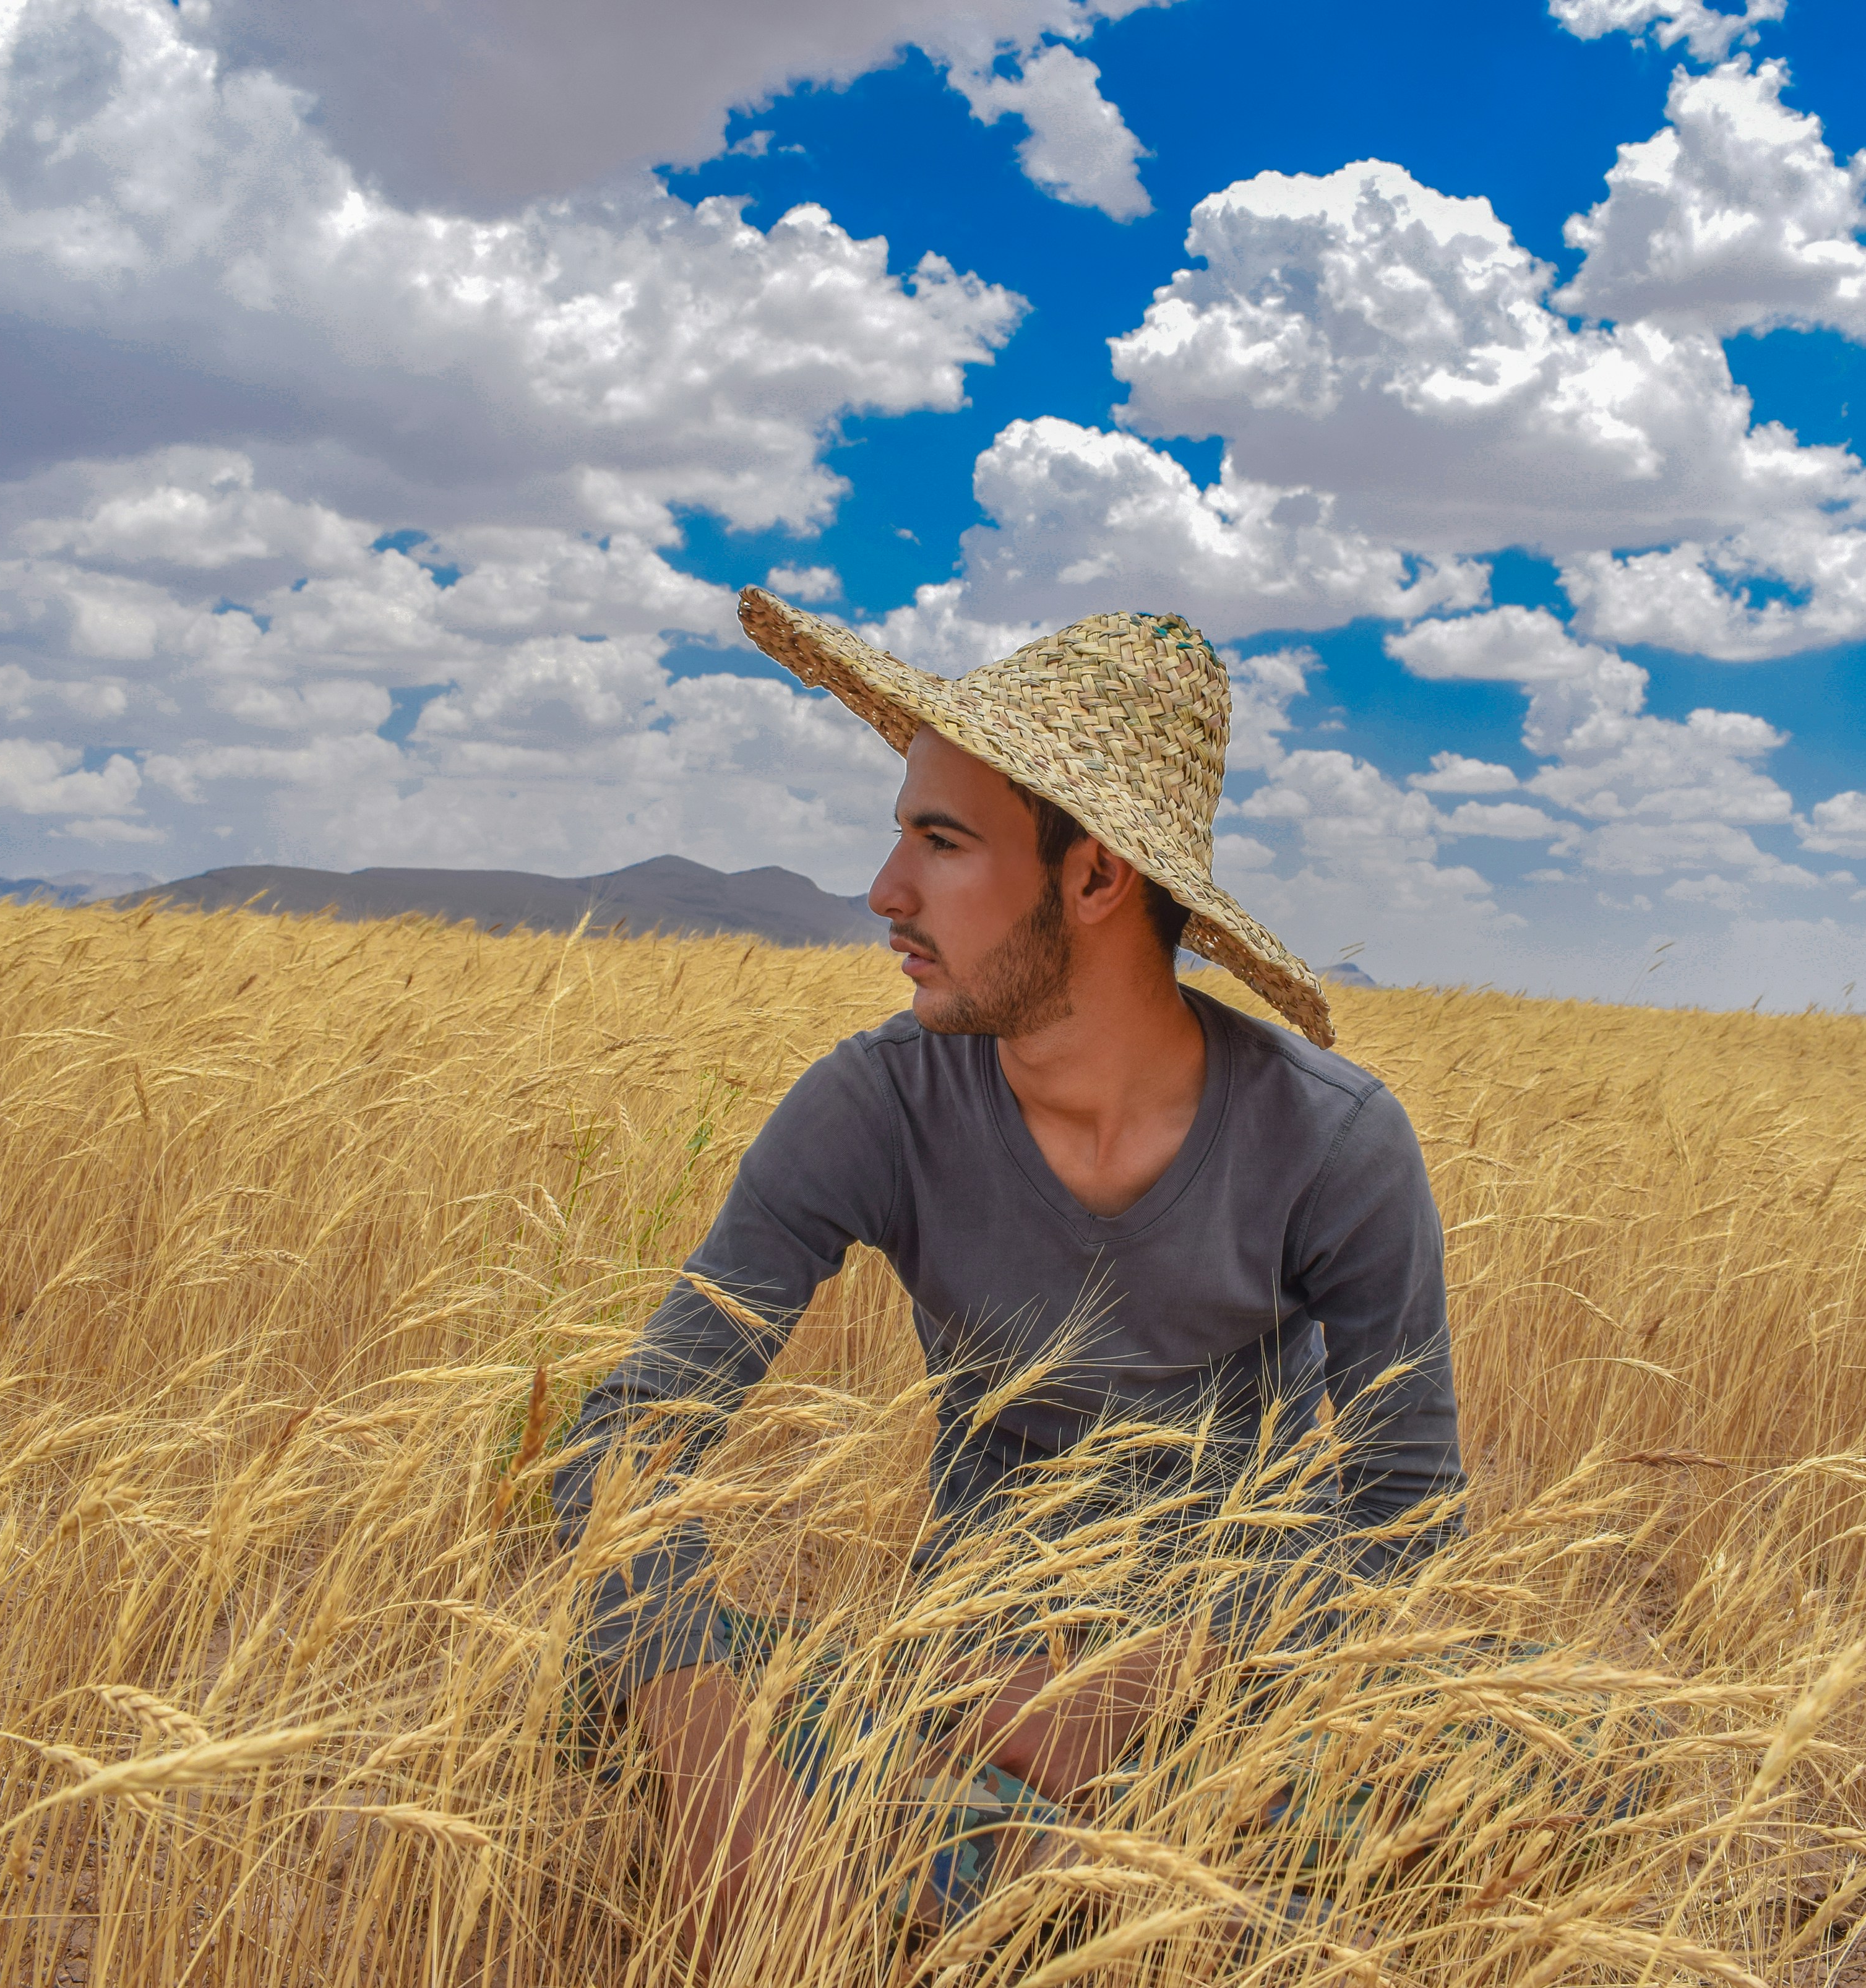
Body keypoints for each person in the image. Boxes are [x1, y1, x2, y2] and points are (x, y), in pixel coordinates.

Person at [547, 588, 1467, 1963]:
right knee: (616, 1694)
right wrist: (711, 1749)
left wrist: (1162, 1674)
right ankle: (1122, 1893)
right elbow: (631, 1433)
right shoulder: (875, 1106)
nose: (885, 892)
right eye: (901, 833)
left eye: (941, 840)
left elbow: (1406, 1522)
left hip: (1257, 1689)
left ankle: (1052, 1876)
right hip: (962, 1669)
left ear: (1095, 877)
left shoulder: (1332, 1140)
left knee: (1557, 1771)